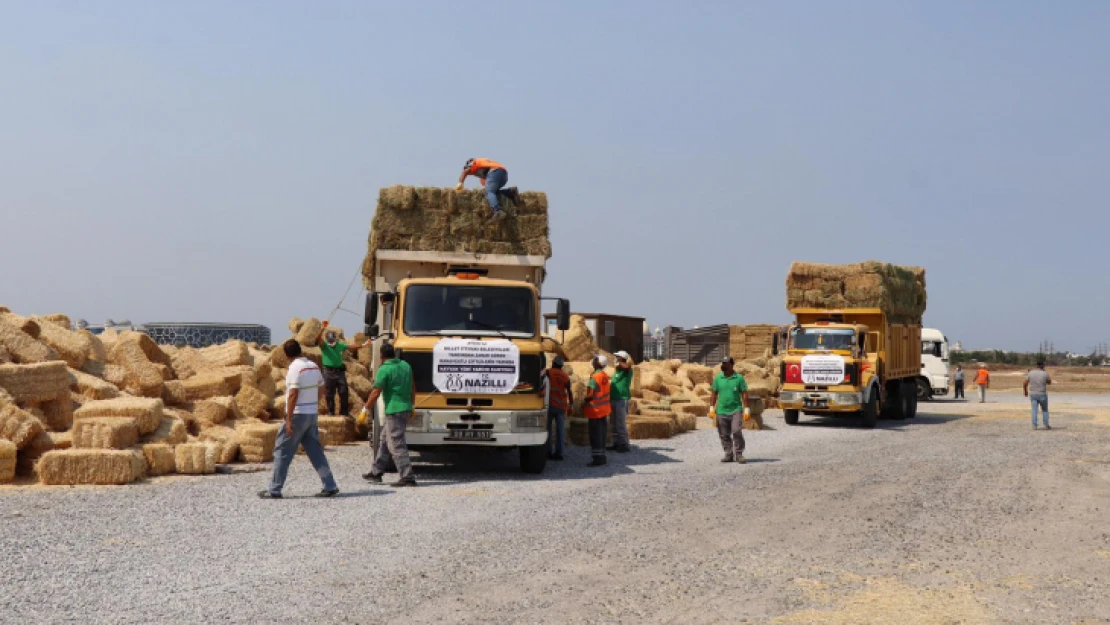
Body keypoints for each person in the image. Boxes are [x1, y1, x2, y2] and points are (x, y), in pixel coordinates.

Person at [259, 340, 339, 499]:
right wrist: (313, 402)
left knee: (282, 451)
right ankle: (330, 485)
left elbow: (293, 393)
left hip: (297, 414)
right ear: (300, 350)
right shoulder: (313, 366)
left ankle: (274, 489)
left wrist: (288, 419)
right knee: (315, 451)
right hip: (311, 414)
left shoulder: (295, 368)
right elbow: (323, 387)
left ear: (286, 355)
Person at [362, 343, 418, 487]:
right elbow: (412, 386)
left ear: (381, 357)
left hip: (394, 410)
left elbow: (375, 392)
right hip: (405, 408)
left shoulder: (384, 369)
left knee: (396, 443)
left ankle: (407, 476)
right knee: (384, 439)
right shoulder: (406, 365)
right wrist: (412, 404)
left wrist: (365, 408)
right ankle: (376, 472)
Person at [316, 322, 364, 417]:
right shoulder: (324, 346)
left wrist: (363, 345)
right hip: (328, 372)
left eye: (333, 340)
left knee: (343, 391)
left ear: (335, 339)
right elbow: (318, 339)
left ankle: (344, 412)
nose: (332, 342)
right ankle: (331, 412)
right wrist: (322, 328)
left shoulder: (339, 345)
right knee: (329, 393)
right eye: (330, 340)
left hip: (339, 372)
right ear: (327, 340)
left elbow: (351, 347)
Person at [710, 357, 750, 464]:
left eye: (725, 364)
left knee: (736, 431)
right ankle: (728, 454)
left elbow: (744, 393)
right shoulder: (718, 378)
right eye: (722, 363)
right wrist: (711, 407)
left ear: (731, 365)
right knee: (723, 434)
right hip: (721, 410)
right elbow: (714, 393)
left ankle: (739, 454)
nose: (723, 365)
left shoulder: (739, 378)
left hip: (735, 410)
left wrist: (746, 409)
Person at [455, 157, 520, 221]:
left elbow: (464, 172)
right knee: (491, 193)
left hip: (494, 172)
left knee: (489, 192)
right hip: (503, 173)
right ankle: (510, 192)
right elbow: (485, 183)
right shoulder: (483, 165)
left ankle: (498, 211)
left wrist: (459, 187)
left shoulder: (473, 163)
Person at [584, 354, 612, 467]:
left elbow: (590, 395)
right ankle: (602, 456)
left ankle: (597, 459)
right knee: (602, 434)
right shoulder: (604, 376)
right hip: (604, 410)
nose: (593, 361)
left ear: (599, 363)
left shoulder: (594, 377)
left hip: (595, 411)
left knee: (595, 435)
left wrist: (584, 400)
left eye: (595, 360)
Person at [542, 356, 572, 461]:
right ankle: (559, 453)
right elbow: (569, 392)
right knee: (560, 431)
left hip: (550, 405)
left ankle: (548, 452)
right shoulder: (565, 376)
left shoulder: (548, 373)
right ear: (561, 365)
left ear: (553, 363)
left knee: (548, 429)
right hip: (561, 406)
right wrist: (571, 405)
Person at [607, 351, 633, 453]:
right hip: (613, 398)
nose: (616, 358)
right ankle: (616, 443)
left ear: (622, 358)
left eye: (618, 357)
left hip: (621, 399)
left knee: (620, 422)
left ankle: (624, 444)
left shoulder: (627, 370)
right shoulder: (617, 371)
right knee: (613, 422)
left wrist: (619, 362)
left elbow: (627, 366)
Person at [1024, 361, 1053, 430]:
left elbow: (1025, 383)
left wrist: (1025, 391)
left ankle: (1034, 425)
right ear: (1043, 366)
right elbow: (1049, 382)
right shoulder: (1045, 373)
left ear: (1036, 365)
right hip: (1042, 393)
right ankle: (1046, 424)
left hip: (1033, 394)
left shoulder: (1030, 373)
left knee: (1034, 410)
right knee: (1045, 410)